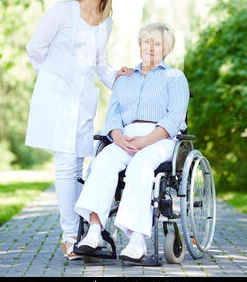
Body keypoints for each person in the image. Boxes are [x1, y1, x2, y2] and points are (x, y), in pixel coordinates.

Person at [25, 0, 132, 260]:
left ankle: (79, 234)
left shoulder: (105, 21)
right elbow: (35, 48)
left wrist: (119, 79)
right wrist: (52, 80)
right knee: (64, 166)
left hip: (85, 100)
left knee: (78, 167)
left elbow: (100, 65)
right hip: (58, 98)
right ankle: (70, 237)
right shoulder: (63, 10)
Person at [74, 22, 190, 261]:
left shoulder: (175, 77)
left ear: (166, 49)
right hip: (125, 137)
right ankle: (95, 231)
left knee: (141, 164)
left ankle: (137, 239)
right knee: (103, 159)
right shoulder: (125, 78)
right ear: (139, 45)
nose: (151, 47)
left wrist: (147, 140)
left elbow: (173, 118)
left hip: (161, 138)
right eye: (147, 41)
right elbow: (113, 114)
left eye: (158, 44)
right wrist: (117, 136)